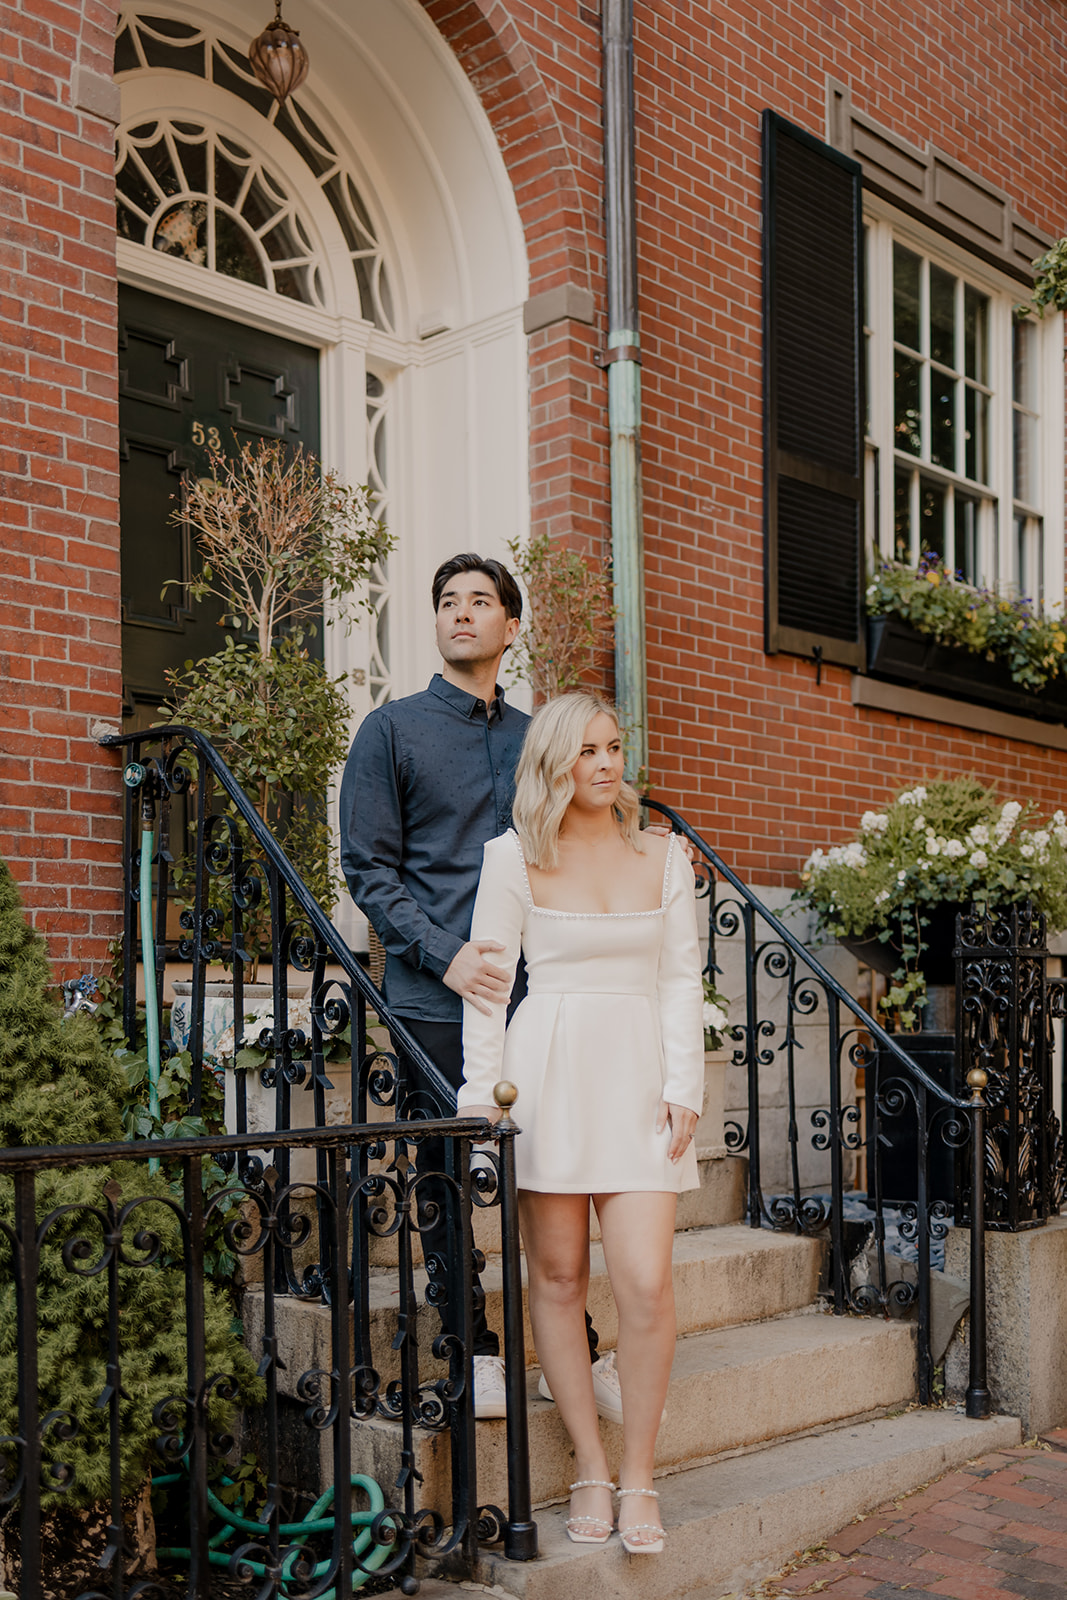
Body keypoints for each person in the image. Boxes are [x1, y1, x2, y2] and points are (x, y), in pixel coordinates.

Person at [338, 554, 617, 1421]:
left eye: (480, 602)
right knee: (446, 1175)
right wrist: (442, 952)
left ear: (510, 626)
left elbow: (579, 848)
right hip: (431, 996)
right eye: (448, 602)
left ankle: (571, 1346)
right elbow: (369, 870)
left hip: (539, 994)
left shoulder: (539, 737)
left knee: (551, 1167)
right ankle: (474, 1344)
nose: (462, 614)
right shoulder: (390, 731)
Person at [457, 693, 705, 1553]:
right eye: (585, 751)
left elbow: (681, 982)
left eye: (613, 747)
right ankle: (590, 1466)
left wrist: (686, 1086)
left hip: (641, 1079)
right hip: (547, 1075)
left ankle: (640, 1476)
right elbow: (488, 993)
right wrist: (480, 1101)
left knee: (643, 1284)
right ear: (552, 763)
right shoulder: (510, 859)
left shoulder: (665, 857)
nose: (604, 764)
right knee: (556, 1281)